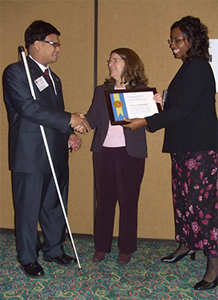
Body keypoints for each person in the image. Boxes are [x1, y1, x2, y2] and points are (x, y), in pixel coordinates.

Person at [123, 16, 218, 290]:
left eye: (177, 40)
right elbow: (182, 102)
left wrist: (146, 122)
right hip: (184, 146)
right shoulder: (188, 67)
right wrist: (161, 99)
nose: (172, 45)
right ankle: (187, 244)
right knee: (184, 200)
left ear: (192, 40)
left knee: (204, 208)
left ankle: (214, 265)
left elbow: (185, 110)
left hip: (200, 149)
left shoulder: (199, 67)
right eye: (171, 40)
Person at [3, 20, 90, 278]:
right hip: (29, 155)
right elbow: (29, 109)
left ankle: (53, 249)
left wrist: (68, 134)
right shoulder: (17, 72)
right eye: (55, 43)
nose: (58, 49)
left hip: (55, 152)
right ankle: (28, 257)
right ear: (37, 44)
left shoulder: (55, 79)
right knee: (29, 208)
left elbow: (51, 115)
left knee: (55, 205)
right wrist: (69, 119)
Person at [85, 48, 149, 265]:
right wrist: (71, 123)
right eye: (109, 60)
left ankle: (126, 248)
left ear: (128, 64)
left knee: (129, 202)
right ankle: (101, 246)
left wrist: (157, 105)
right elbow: (91, 119)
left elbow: (152, 123)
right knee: (104, 202)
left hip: (131, 154)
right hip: (103, 152)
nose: (110, 64)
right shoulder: (101, 90)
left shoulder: (141, 92)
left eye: (115, 60)